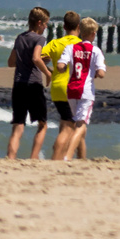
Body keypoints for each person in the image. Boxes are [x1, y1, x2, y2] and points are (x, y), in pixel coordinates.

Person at [54, 18, 105, 160]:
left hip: (71, 91)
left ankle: (80, 157)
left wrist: (64, 68)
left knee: (79, 123)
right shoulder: (96, 51)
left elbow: (60, 65)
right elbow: (101, 73)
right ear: (94, 34)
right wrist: (96, 71)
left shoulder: (70, 48)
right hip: (86, 92)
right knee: (81, 125)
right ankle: (68, 156)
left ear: (80, 32)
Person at [6, 7, 51, 159]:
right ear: (39, 23)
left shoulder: (20, 38)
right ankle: (33, 157)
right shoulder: (39, 39)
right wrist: (48, 72)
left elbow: (11, 62)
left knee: (18, 124)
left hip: (18, 84)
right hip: (33, 84)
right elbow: (36, 58)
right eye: (45, 24)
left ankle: (11, 157)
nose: (46, 27)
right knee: (42, 124)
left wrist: (23, 59)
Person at [45, 12, 85, 161]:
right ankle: (56, 158)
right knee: (70, 127)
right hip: (73, 89)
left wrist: (48, 72)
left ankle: (81, 159)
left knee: (72, 125)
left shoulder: (55, 43)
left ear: (64, 27)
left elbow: (39, 58)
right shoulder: (81, 45)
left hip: (57, 88)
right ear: (78, 27)